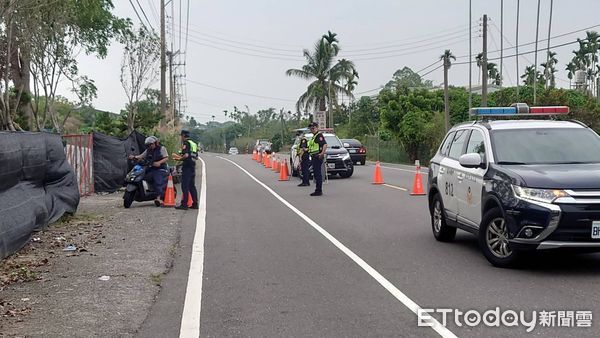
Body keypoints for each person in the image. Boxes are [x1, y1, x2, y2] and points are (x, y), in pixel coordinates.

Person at [129, 136, 169, 206]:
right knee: (142, 176)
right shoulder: (148, 150)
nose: (150, 146)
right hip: (151, 168)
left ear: (155, 143)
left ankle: (159, 198)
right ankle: (145, 192)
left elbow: (166, 158)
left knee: (157, 180)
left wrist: (159, 162)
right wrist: (134, 157)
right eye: (148, 145)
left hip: (161, 169)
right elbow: (141, 156)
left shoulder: (161, 148)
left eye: (151, 144)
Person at [172, 130, 198, 210]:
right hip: (192, 166)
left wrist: (179, 158)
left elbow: (186, 155)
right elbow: (196, 156)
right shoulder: (194, 144)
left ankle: (184, 204)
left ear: (183, 135)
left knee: (185, 186)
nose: (181, 138)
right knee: (191, 186)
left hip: (187, 167)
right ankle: (195, 203)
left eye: (181, 136)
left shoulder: (186, 143)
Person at [307, 122, 327, 196]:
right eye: (310, 128)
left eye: (313, 128)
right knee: (316, 173)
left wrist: (322, 153)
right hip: (313, 156)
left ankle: (318, 190)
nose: (311, 129)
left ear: (316, 127)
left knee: (318, 174)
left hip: (317, 156)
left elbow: (325, 144)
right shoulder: (314, 136)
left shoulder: (319, 136)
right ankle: (318, 189)